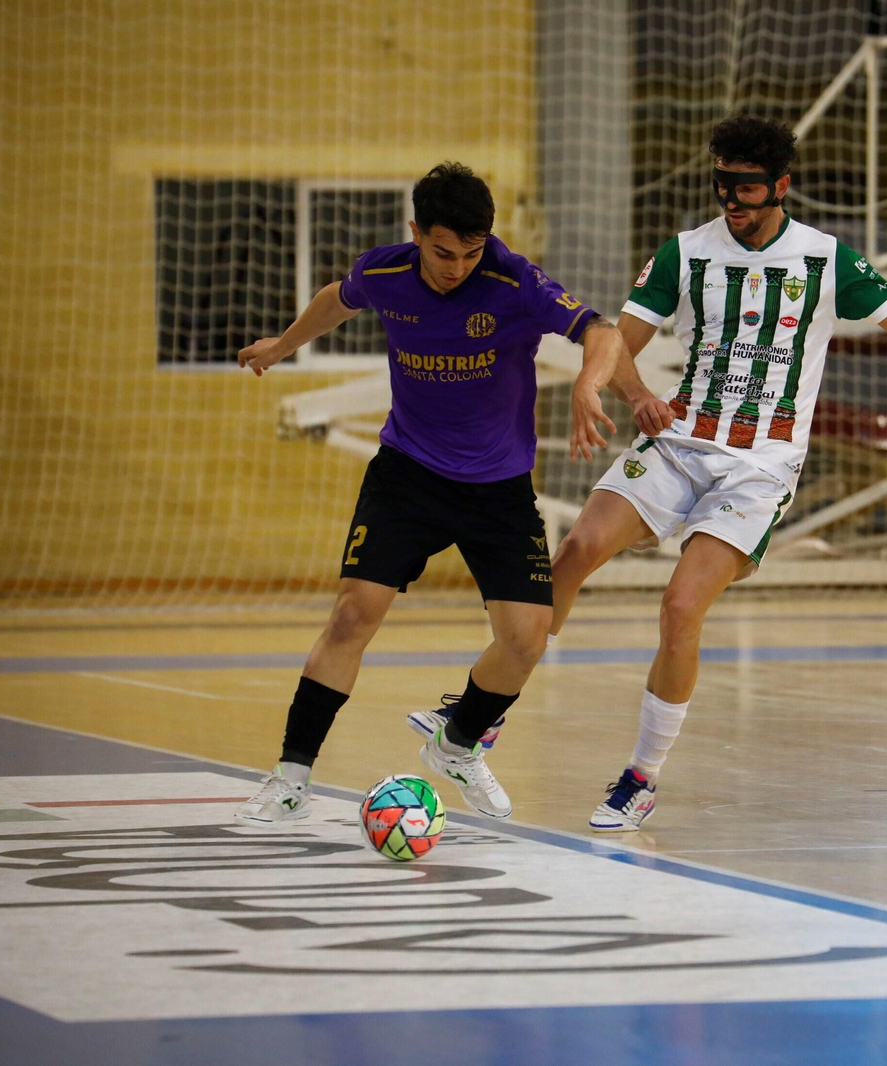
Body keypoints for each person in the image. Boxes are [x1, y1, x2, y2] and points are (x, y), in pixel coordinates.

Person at [544, 115, 887, 830]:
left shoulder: (826, 261)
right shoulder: (684, 254)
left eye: (748, 188)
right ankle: (484, 716)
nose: (732, 200)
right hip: (678, 442)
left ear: (781, 187)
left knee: (679, 607)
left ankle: (640, 777)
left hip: (759, 468)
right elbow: (617, 343)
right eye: (722, 185)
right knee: (574, 553)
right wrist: (631, 392)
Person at [234, 162, 622, 824]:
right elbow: (337, 296)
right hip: (408, 474)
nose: (457, 267)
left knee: (528, 637)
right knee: (354, 614)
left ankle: (458, 744)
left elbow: (601, 330)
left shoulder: (514, 281)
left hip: (498, 486)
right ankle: (291, 775)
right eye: (444, 252)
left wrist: (589, 382)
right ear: (416, 232)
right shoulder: (384, 272)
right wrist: (284, 344)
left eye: (471, 253)